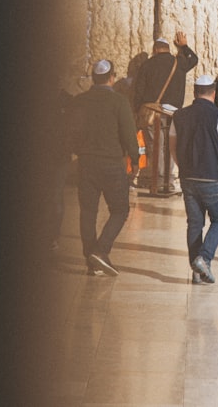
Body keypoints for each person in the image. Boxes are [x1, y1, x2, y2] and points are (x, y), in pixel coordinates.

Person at [68, 59, 140, 277]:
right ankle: (100, 250)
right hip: (111, 164)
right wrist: (135, 159)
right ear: (111, 78)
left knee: (88, 211)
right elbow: (129, 133)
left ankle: (91, 259)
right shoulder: (119, 101)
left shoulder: (79, 101)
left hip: (86, 163)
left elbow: (71, 131)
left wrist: (78, 150)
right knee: (120, 209)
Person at [169, 75, 218, 285]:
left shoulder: (179, 116)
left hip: (188, 177)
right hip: (213, 177)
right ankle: (204, 259)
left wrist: (182, 166)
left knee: (195, 223)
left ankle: (197, 272)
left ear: (194, 92)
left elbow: (172, 145)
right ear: (213, 93)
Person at [132, 32, 198, 192]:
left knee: (155, 146)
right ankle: (168, 181)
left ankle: (158, 179)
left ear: (155, 50)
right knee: (171, 146)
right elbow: (194, 60)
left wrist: (137, 110)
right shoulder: (179, 62)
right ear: (168, 49)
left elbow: (138, 92)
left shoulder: (147, 65)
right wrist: (183, 46)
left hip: (153, 112)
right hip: (173, 114)